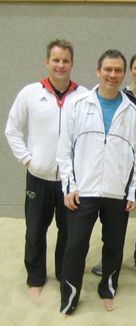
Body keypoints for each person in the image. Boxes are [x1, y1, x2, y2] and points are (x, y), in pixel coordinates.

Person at [57, 49, 136, 315]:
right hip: (84, 190)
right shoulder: (79, 104)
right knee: (75, 245)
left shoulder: (131, 111)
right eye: (108, 69)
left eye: (118, 70)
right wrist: (69, 186)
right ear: (98, 71)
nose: (113, 75)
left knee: (115, 245)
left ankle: (108, 288)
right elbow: (64, 151)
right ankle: (70, 297)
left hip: (117, 193)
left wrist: (133, 191)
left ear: (124, 74)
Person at [4, 39, 87, 299]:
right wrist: (29, 160)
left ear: (72, 63)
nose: (61, 65)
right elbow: (12, 130)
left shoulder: (83, 95)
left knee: (68, 231)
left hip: (69, 182)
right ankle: (36, 278)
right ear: (47, 62)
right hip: (38, 177)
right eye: (56, 60)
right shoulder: (30, 92)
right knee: (35, 229)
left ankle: (64, 272)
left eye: (65, 61)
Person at [91, 52, 136, 282]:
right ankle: (110, 258)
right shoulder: (119, 97)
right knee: (114, 220)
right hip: (119, 170)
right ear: (130, 71)